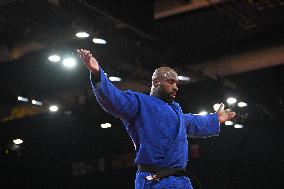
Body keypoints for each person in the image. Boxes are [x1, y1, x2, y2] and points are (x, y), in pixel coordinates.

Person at [77, 49, 236, 189]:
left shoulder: (176, 112)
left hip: (180, 182)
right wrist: (98, 73)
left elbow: (193, 122)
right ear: (156, 82)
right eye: (171, 82)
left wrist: (215, 119)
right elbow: (115, 99)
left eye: (177, 84)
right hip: (154, 180)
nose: (175, 87)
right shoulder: (140, 103)